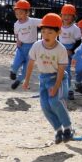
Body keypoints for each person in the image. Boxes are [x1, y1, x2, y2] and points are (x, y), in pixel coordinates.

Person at [22, 13, 74, 143]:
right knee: (45, 106)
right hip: (43, 79)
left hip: (58, 79)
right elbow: (30, 63)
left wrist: (56, 86)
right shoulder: (37, 46)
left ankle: (68, 128)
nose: (46, 35)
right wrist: (26, 80)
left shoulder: (61, 49)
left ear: (58, 32)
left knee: (54, 102)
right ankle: (58, 130)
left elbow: (61, 70)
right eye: (44, 32)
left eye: (50, 32)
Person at [9, 0, 41, 89]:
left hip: (32, 48)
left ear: (27, 12)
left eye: (21, 13)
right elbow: (16, 33)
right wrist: (18, 40)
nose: (18, 15)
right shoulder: (16, 24)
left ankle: (18, 81)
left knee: (27, 68)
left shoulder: (33, 21)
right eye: (16, 14)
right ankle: (13, 71)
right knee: (16, 62)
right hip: (21, 47)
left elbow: (44, 22)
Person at [58, 4, 81, 100]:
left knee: (80, 68)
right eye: (64, 15)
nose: (66, 17)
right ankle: (69, 90)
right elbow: (56, 38)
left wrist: (71, 50)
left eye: (69, 15)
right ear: (61, 15)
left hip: (74, 49)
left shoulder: (75, 28)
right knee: (66, 71)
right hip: (63, 50)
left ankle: (79, 83)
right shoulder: (58, 26)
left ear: (73, 16)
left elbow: (79, 41)